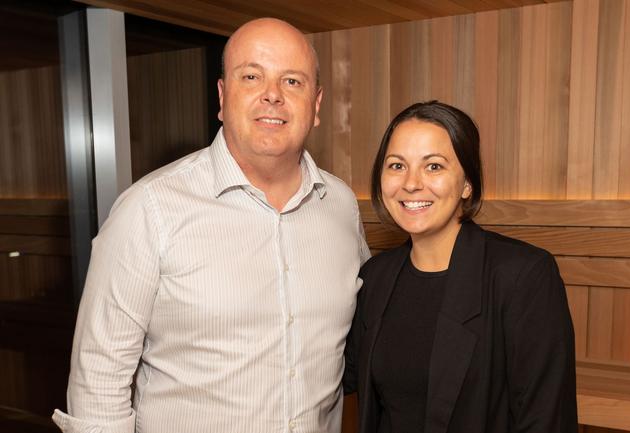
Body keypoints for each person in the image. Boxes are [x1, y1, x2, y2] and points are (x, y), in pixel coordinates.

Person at [53, 17, 369, 433]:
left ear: (317, 105)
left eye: (292, 82)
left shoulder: (341, 206)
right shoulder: (150, 210)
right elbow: (98, 382)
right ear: (222, 96)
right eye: (251, 76)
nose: (272, 95)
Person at [343, 100, 577, 433]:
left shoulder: (523, 276)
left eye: (433, 167)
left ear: (467, 183)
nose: (411, 183)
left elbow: (546, 418)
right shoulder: (375, 278)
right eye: (396, 166)